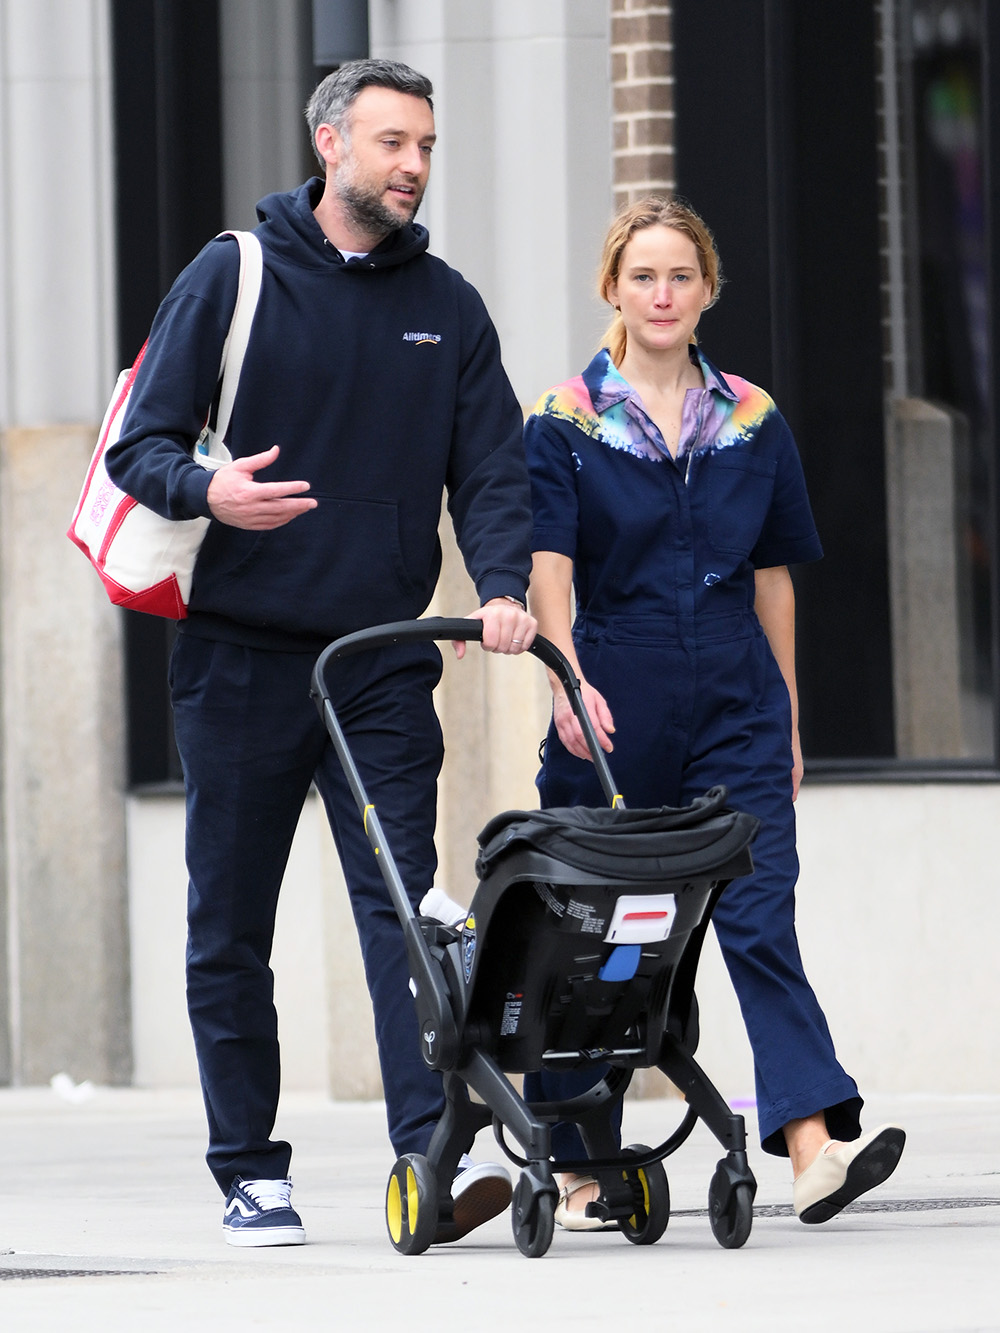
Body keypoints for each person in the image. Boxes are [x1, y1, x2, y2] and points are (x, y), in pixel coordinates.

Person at [106, 58, 537, 1247]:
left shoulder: (446, 304)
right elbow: (137, 447)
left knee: (409, 918)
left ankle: (427, 1158)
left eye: (428, 147)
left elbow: (492, 470)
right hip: (240, 661)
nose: (413, 165)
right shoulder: (230, 274)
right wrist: (207, 489)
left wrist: (501, 585)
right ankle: (251, 1167)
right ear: (330, 141)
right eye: (394, 142)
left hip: (381, 659)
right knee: (229, 922)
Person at [521, 196, 905, 1230]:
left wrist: (782, 716)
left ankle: (812, 1143)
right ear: (613, 287)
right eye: (643, 275)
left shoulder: (752, 416)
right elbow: (547, 560)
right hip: (616, 690)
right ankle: (577, 1159)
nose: (661, 293)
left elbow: (774, 574)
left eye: (680, 276)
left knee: (757, 910)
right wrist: (566, 678)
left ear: (706, 290)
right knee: (602, 931)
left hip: (735, 687)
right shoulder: (563, 418)